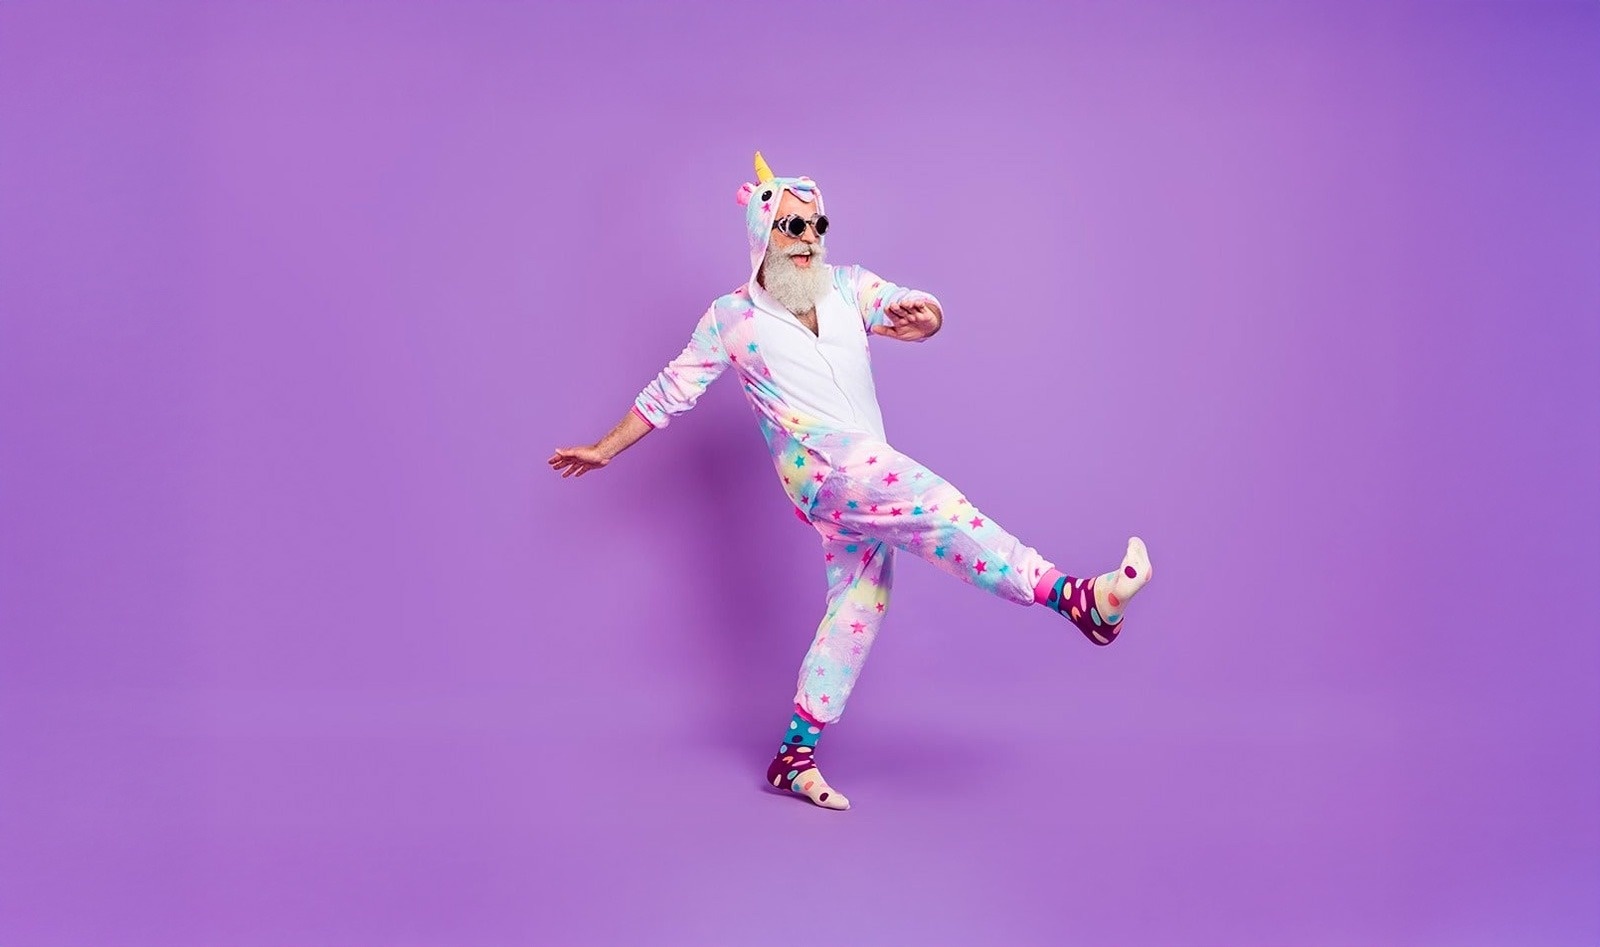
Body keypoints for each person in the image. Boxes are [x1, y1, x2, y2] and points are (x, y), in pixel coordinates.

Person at [549, 152, 1154, 810]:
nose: (808, 239)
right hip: (824, 468)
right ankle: (1075, 598)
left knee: (860, 603)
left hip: (859, 477)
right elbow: (671, 389)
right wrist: (605, 449)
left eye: (817, 226)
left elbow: (907, 309)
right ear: (762, 236)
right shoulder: (732, 319)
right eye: (792, 227)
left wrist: (927, 316)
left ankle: (793, 756)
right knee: (937, 503)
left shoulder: (846, 287)